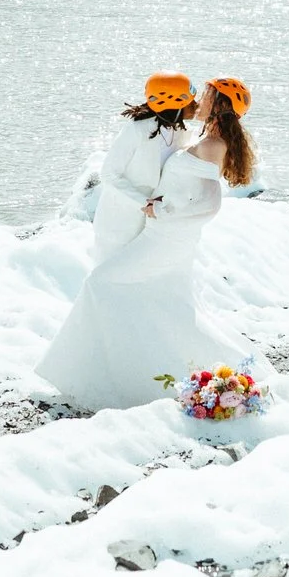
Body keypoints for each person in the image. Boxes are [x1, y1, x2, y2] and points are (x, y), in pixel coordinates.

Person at [38, 77, 258, 411]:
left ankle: (105, 377)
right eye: (197, 93)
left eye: (208, 94)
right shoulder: (196, 134)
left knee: (102, 284)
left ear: (222, 105)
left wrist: (162, 209)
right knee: (156, 301)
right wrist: (158, 207)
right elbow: (123, 173)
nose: (199, 98)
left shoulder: (212, 143)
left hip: (167, 236)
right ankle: (128, 369)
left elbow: (210, 203)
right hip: (158, 232)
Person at [90, 73, 195, 263]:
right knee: (108, 278)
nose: (196, 106)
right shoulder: (136, 130)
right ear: (174, 103)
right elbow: (109, 174)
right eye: (191, 101)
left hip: (152, 225)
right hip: (119, 222)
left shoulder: (182, 132)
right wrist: (145, 203)